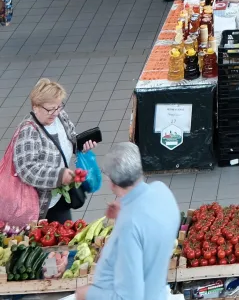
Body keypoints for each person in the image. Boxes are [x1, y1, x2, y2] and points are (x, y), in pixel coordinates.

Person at [75, 143, 179, 300]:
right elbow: (149, 228)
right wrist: (125, 212)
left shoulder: (129, 226)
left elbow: (129, 298)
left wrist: (84, 294)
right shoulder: (162, 191)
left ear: (111, 183)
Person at [11, 79, 97, 223]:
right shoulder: (28, 132)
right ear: (35, 107)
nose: (55, 113)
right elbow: (27, 170)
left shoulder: (60, 117)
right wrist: (59, 175)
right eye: (50, 109)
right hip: (41, 206)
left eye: (58, 107)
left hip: (59, 198)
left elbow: (70, 138)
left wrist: (80, 145)